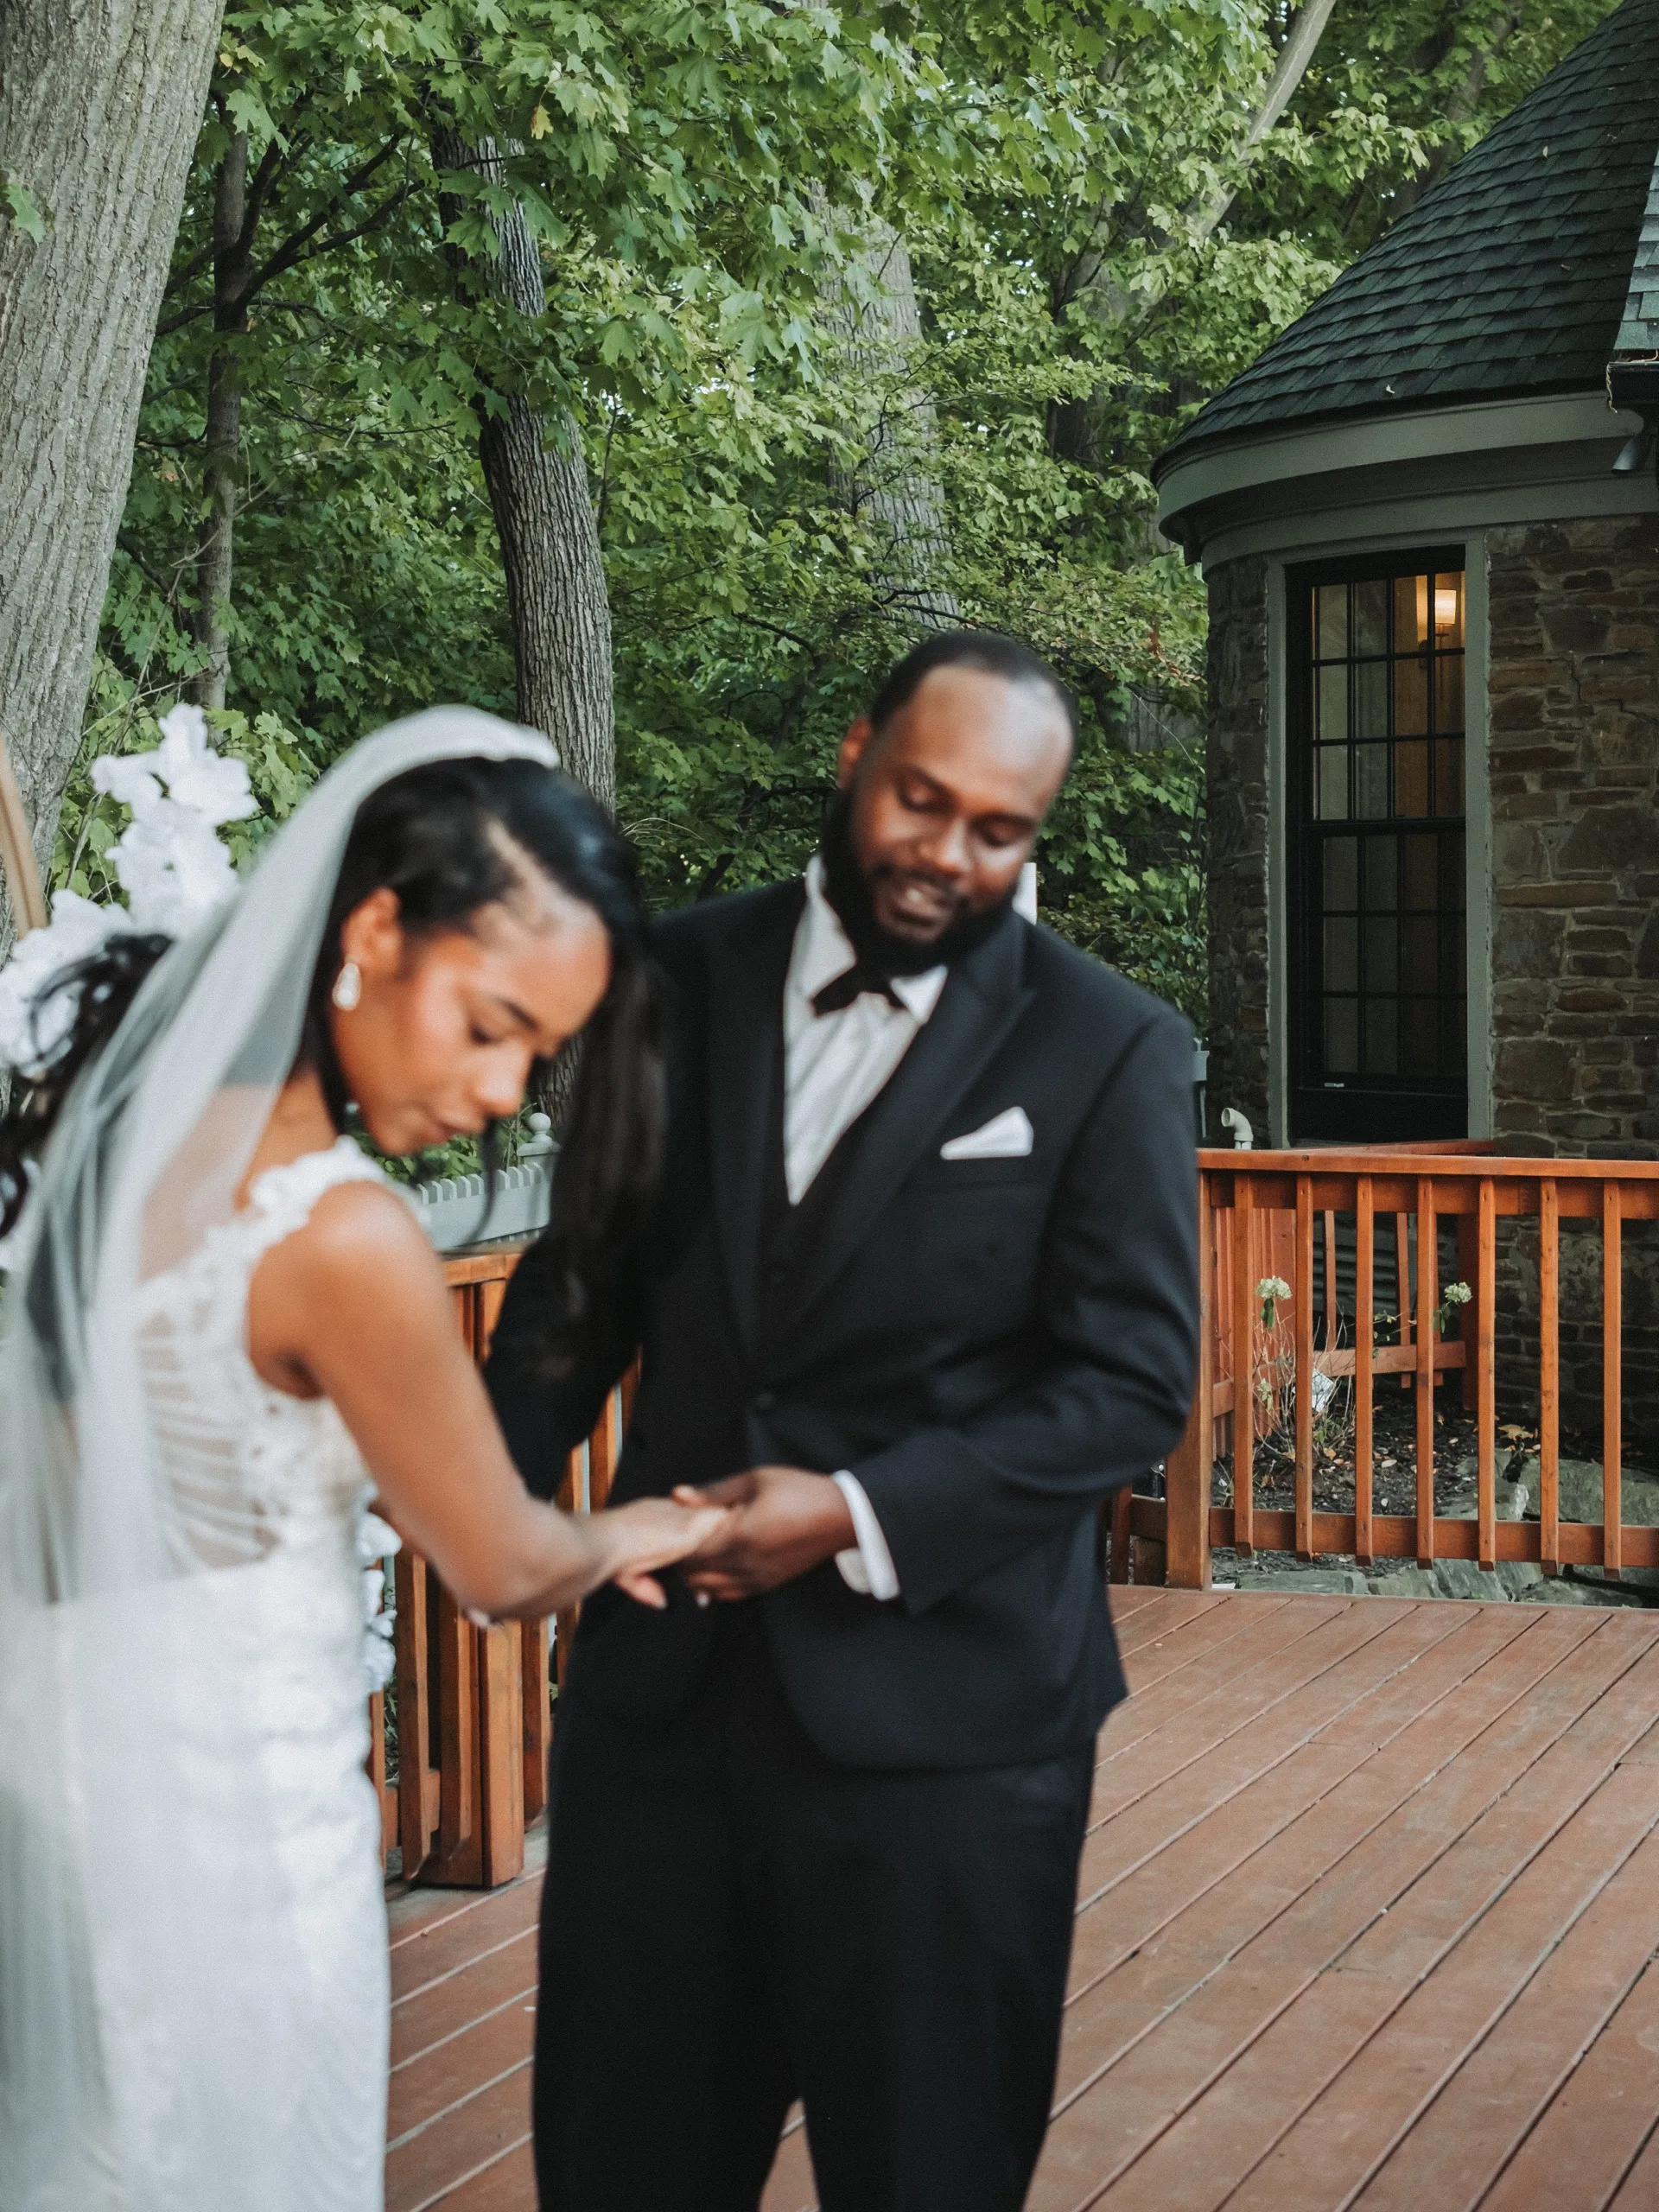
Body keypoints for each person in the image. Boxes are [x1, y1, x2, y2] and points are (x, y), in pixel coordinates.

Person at [487, 632, 1202, 2212]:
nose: (949, 855)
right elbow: (582, 1284)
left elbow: (1130, 1387)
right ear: (856, 750)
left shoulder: (1111, 1049)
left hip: (953, 1748)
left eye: (998, 830)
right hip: (660, 1724)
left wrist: (859, 1512)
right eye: (921, 799)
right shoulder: (672, 974)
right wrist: (484, 1501)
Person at [0, 709, 724, 2212]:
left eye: (542, 1054)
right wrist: (650, 1529)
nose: (506, 1095)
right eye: (491, 1026)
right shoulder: (343, 1235)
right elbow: (499, 1563)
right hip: (232, 1816)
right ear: (375, 930)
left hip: (63, 1766)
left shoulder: (109, 1125)